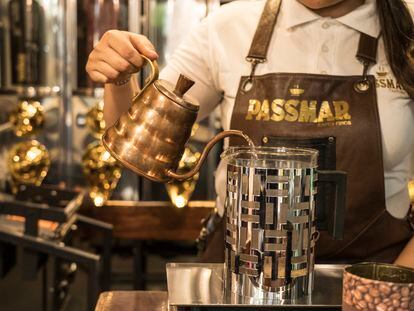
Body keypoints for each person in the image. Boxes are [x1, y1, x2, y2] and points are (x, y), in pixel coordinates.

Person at [86, 0, 414, 267]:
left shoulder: (407, 26)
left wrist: (392, 285)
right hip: (239, 275)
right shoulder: (228, 26)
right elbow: (135, 147)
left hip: (374, 276)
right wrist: (118, 77)